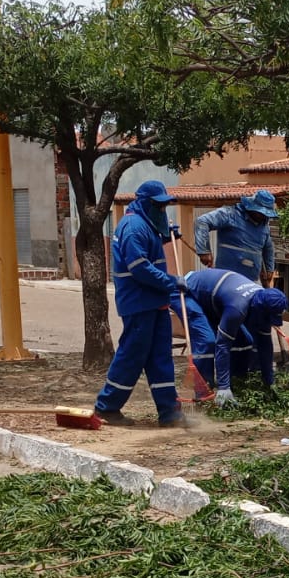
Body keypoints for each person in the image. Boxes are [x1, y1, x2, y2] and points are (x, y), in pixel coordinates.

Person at [94, 180, 190, 427]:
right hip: (139, 303)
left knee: (160, 358)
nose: (162, 210)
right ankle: (107, 407)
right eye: (158, 206)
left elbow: (150, 250)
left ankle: (169, 412)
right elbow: (140, 268)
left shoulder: (146, 224)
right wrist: (171, 282)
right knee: (132, 355)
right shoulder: (133, 227)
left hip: (155, 302)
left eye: (164, 205)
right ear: (145, 203)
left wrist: (166, 236)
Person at [172, 267, 289, 405]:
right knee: (207, 341)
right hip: (185, 291)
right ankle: (204, 395)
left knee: (245, 341)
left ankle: (236, 384)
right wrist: (223, 387)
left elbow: (265, 345)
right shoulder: (237, 307)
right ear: (259, 309)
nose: (267, 322)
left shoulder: (262, 302)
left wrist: (269, 382)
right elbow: (222, 345)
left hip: (214, 301)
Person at [194, 189, 279, 284]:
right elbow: (202, 221)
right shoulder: (230, 214)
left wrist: (269, 269)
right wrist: (204, 250)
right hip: (226, 281)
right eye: (261, 213)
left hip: (250, 282)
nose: (264, 216)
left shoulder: (264, 226)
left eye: (266, 214)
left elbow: (268, 247)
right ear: (252, 207)